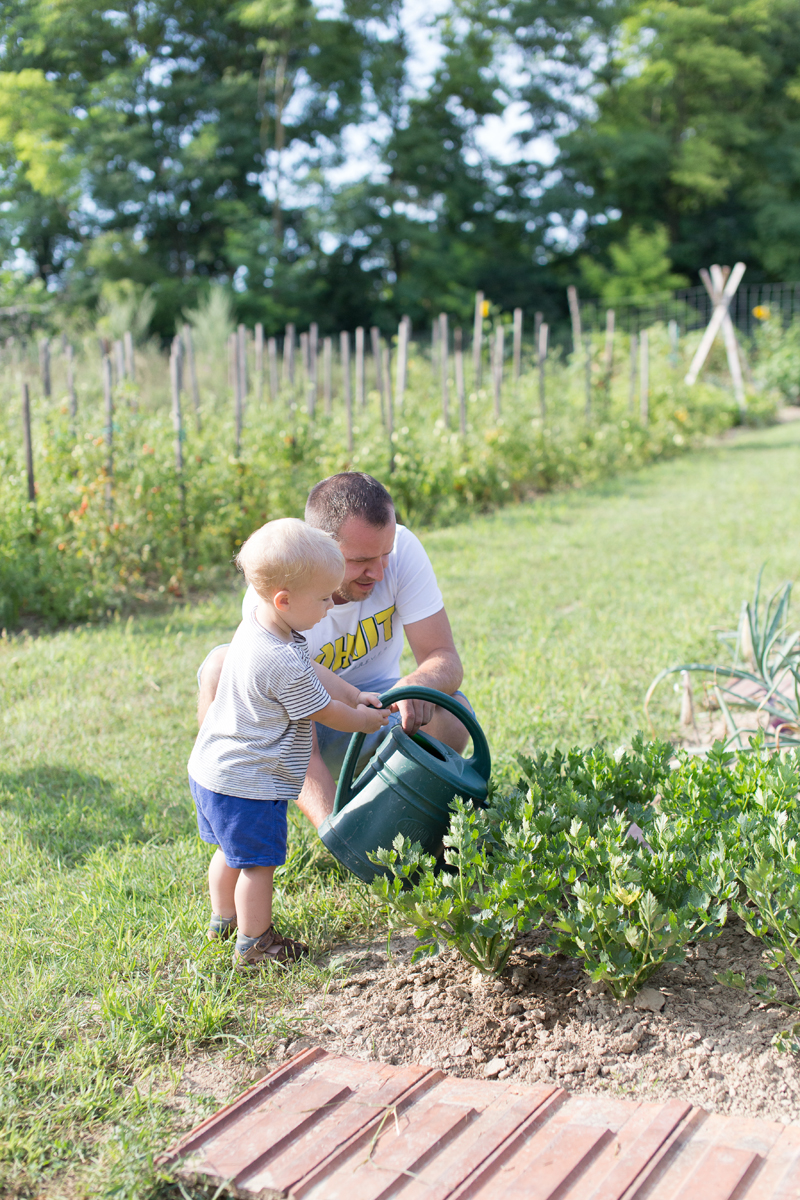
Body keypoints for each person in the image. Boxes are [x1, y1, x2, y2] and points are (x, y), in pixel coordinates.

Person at [197, 473, 471, 830]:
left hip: (377, 711)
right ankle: (240, 799)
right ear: (321, 547)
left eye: (385, 554)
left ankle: (403, 814)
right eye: (360, 561)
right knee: (221, 665)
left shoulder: (402, 549)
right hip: (293, 732)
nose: (379, 571)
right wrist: (338, 832)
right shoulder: (278, 598)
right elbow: (302, 744)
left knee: (455, 712)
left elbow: (443, 656)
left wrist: (417, 685)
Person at [188, 518, 388, 968]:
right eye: (322, 599)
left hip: (213, 770)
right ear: (285, 599)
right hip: (248, 782)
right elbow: (322, 710)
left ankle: (223, 920)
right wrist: (362, 719)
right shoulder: (278, 660)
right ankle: (254, 942)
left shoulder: (262, 626)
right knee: (258, 865)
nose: (328, 606)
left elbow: (314, 669)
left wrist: (355, 692)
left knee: (229, 851)